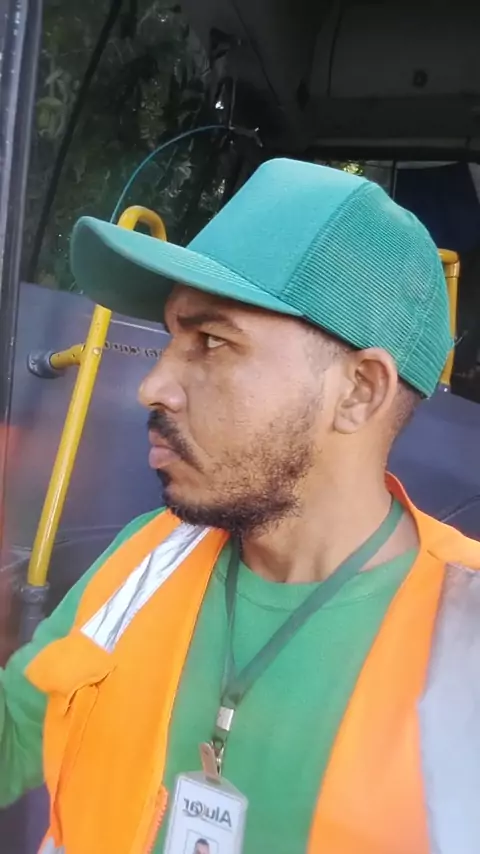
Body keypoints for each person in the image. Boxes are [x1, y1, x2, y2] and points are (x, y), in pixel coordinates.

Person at [0, 159, 479, 854]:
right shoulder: (147, 555)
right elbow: (16, 731)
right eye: (171, 339)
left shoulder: (466, 640)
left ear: (359, 392)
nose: (153, 386)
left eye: (213, 342)